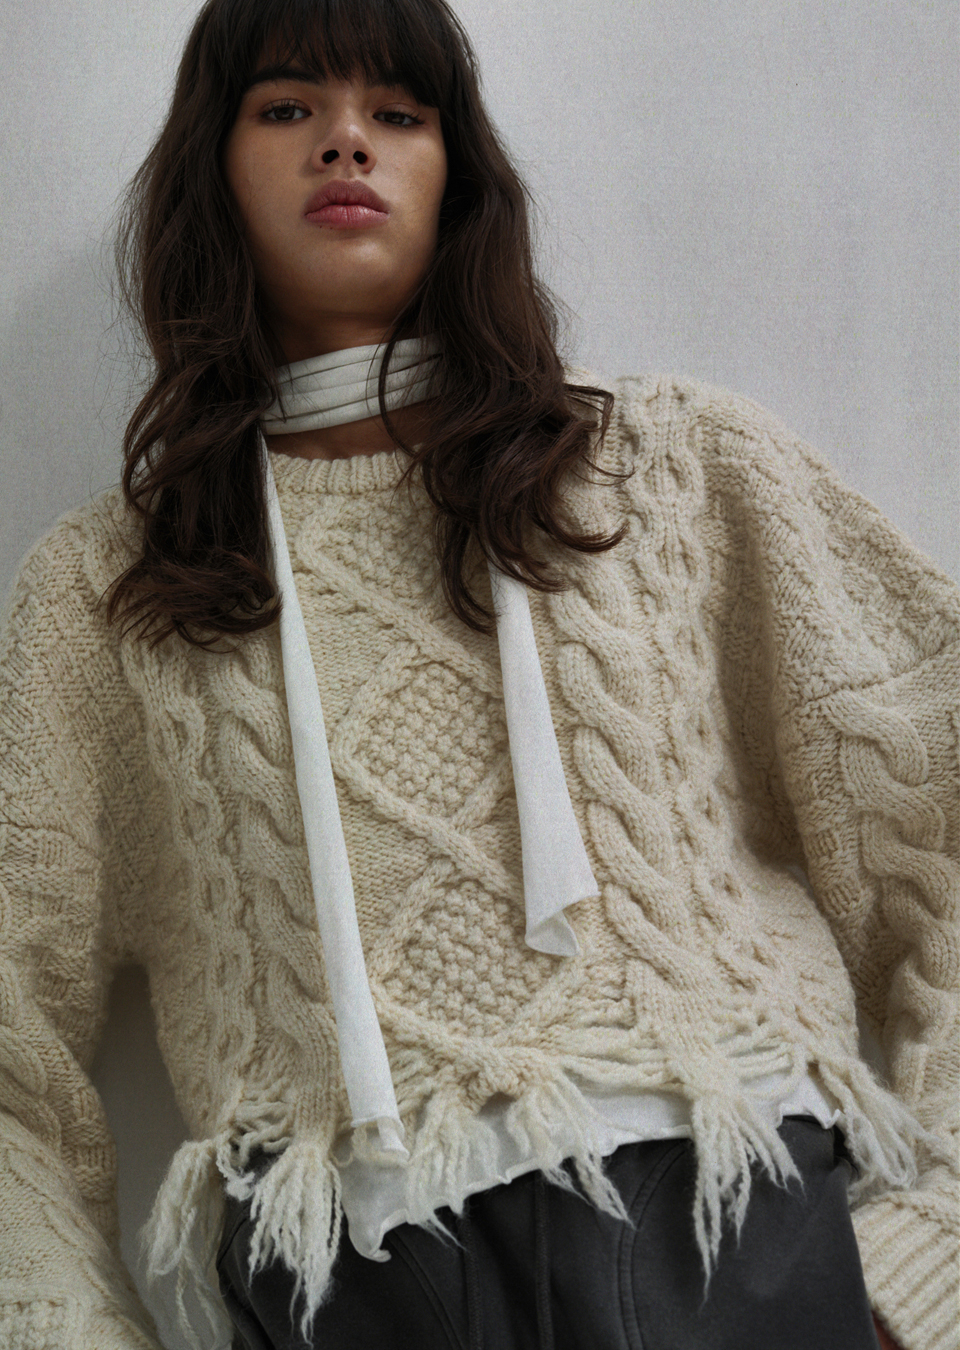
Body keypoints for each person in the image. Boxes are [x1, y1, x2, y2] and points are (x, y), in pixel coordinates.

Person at [0, 0, 956, 1346]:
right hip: (350, 1284)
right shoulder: (112, 589)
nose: (346, 142)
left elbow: (941, 807)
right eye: (287, 107)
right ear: (212, 169)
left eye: (398, 112)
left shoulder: (673, 472)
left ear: (460, 175)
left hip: (740, 1244)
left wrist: (920, 1268)